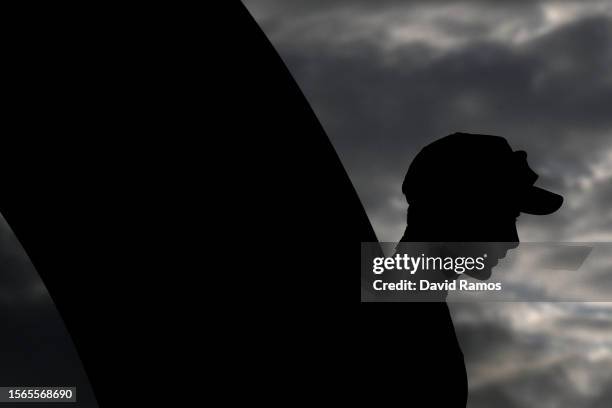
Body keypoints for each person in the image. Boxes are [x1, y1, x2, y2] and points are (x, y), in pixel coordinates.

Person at [362, 132, 563, 407]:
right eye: (505, 215)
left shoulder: (413, 304)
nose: (512, 240)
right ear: (457, 209)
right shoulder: (397, 313)